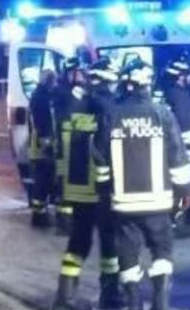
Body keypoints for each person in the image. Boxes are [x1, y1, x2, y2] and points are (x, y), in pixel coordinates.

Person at [95, 55, 190, 310]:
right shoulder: (163, 114)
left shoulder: (112, 116)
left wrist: (104, 191)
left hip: (124, 207)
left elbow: (100, 159)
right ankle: (161, 301)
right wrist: (184, 192)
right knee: (162, 253)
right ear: (148, 85)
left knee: (128, 259)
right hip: (159, 205)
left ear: (126, 84)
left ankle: (134, 302)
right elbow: (178, 157)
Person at [52, 59, 122, 310]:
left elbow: (62, 150)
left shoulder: (72, 106)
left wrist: (62, 191)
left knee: (78, 243)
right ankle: (111, 296)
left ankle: (65, 297)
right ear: (107, 80)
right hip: (101, 188)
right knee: (110, 244)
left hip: (77, 189)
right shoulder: (108, 108)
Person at [162, 53, 190, 232]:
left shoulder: (173, 93)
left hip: (181, 147)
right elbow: (185, 124)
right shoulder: (179, 96)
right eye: (188, 75)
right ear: (180, 76)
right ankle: (185, 213)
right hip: (183, 149)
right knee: (185, 181)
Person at [54, 58, 84, 234]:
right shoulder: (63, 92)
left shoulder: (71, 91)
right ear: (69, 73)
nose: (80, 75)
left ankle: (71, 220)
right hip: (64, 144)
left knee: (72, 183)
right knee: (64, 184)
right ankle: (64, 224)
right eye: (77, 72)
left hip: (73, 144)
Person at [28, 68, 59, 228]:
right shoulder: (41, 98)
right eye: (54, 81)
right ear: (49, 81)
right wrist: (47, 145)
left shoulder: (39, 95)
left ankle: (40, 215)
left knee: (42, 183)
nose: (55, 85)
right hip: (42, 147)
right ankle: (39, 218)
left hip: (39, 145)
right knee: (42, 183)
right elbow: (42, 123)